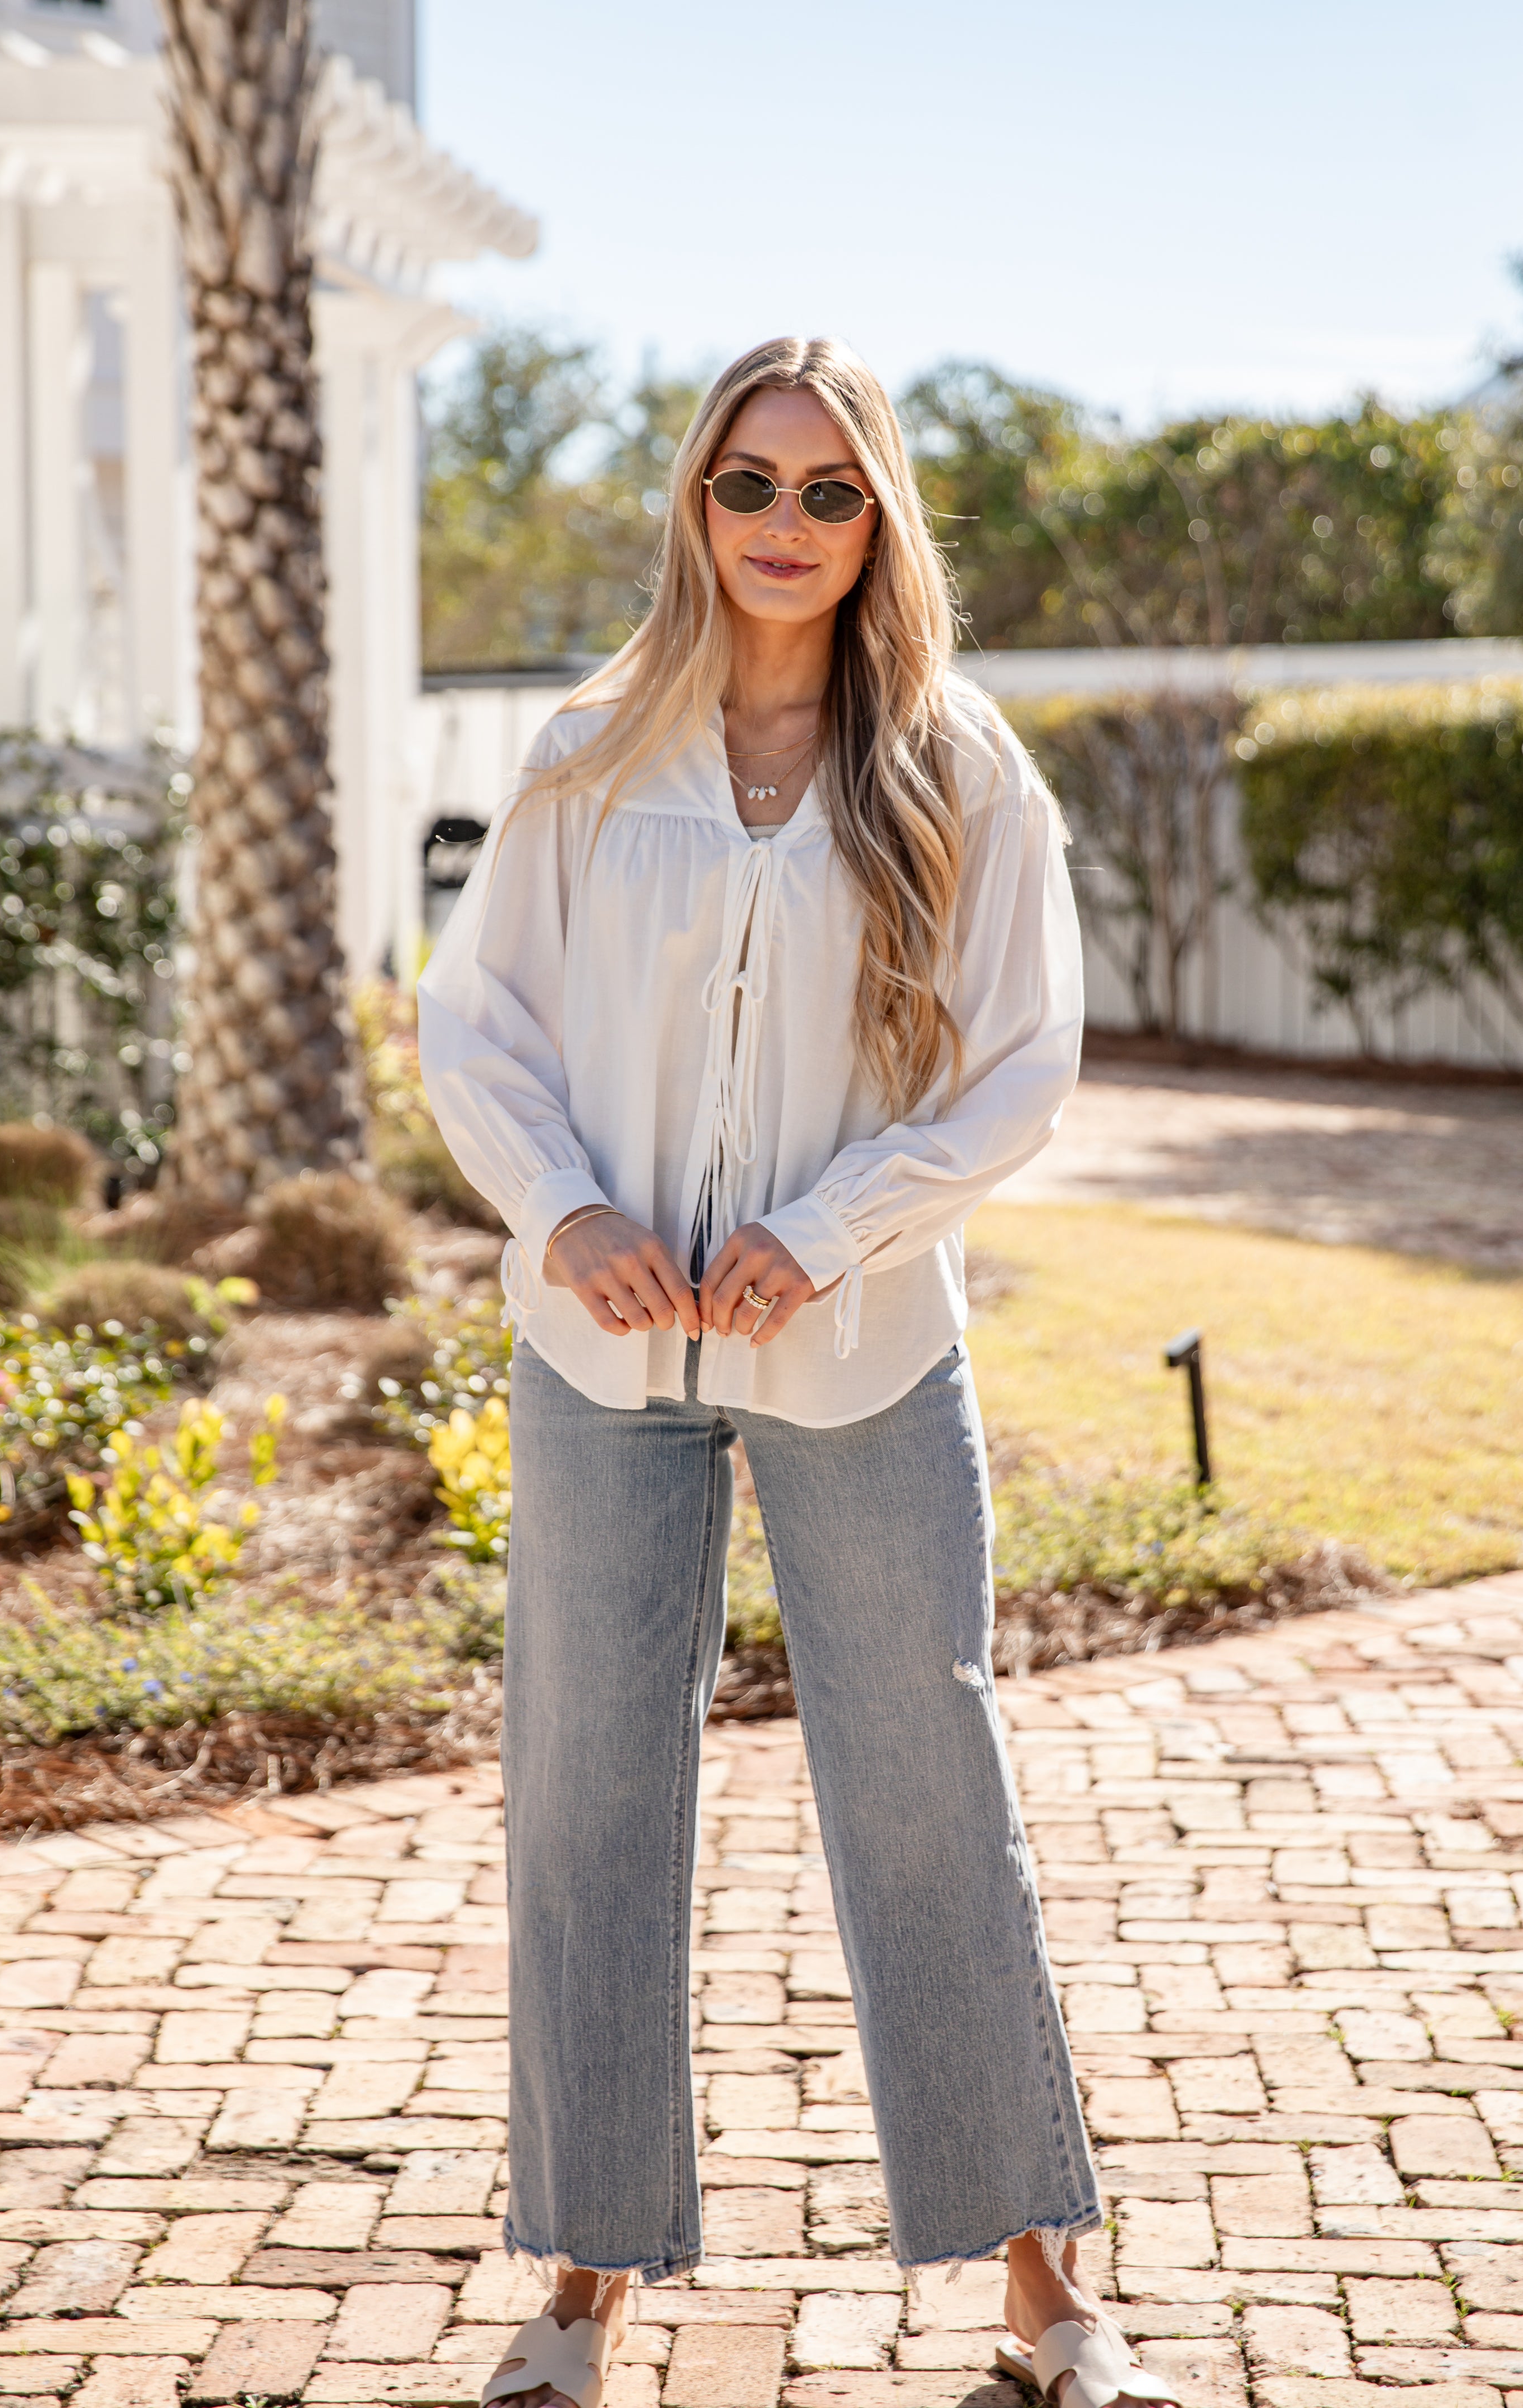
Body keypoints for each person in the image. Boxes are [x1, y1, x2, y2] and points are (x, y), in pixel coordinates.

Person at [419, 335, 1177, 2408]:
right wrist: (562, 1209)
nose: (780, 525)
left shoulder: (956, 765)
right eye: (747, 483)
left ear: (878, 522)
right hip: (599, 1346)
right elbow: (471, 1026)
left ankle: (1046, 2290)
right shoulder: (590, 754)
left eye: (827, 492)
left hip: (857, 1352)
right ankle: (582, 2281)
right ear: (695, 501)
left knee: (929, 1788)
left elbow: (1024, 1066)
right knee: (587, 1790)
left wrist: (824, 1228)